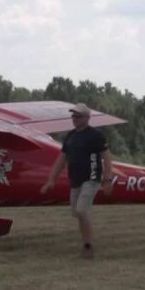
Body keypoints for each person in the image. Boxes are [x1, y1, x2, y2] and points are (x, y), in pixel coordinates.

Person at [42, 103, 114, 258]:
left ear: (87, 118)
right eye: (73, 115)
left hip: (92, 178)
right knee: (77, 213)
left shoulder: (96, 135)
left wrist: (107, 178)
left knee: (82, 210)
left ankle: (88, 246)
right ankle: (85, 243)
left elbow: (106, 157)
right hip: (75, 180)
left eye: (78, 116)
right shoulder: (70, 136)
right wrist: (51, 180)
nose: (74, 118)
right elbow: (61, 159)